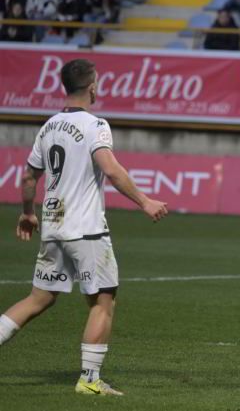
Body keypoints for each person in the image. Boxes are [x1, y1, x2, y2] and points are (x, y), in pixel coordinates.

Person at [0, 59, 169, 395]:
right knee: (103, 301)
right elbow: (112, 169)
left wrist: (27, 213)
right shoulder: (96, 125)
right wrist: (145, 201)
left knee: (39, 298)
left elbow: (30, 176)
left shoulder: (48, 126)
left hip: (53, 225)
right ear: (92, 87)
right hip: (86, 229)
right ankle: (90, 381)